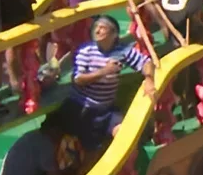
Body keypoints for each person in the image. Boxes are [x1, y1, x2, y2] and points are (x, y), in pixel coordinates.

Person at [59, 15, 156, 153]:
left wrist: (149, 80)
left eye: (102, 28)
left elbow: (146, 62)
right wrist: (105, 71)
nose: (97, 31)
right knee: (87, 149)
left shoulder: (121, 51)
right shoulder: (85, 50)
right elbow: (78, 79)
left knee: (124, 134)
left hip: (106, 109)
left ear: (114, 34)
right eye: (96, 27)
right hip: (82, 109)